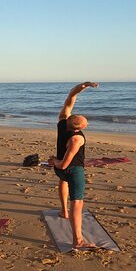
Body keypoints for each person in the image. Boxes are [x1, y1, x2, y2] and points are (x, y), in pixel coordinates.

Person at [48, 82, 98, 250]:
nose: (88, 124)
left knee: (63, 181)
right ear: (79, 128)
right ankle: (78, 239)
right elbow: (63, 165)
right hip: (72, 170)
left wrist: (83, 86)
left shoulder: (63, 122)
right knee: (77, 202)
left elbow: (71, 98)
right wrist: (55, 161)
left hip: (62, 172)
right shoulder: (77, 139)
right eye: (85, 124)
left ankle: (63, 211)